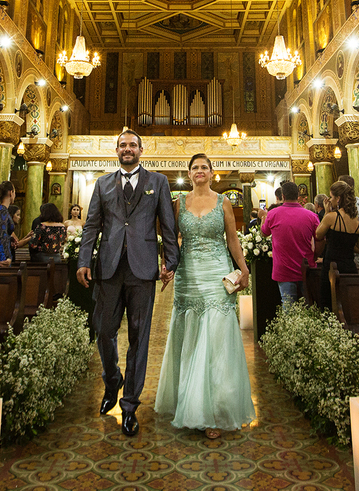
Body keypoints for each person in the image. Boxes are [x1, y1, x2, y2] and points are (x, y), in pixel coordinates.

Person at [76, 130, 179, 438]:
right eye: (123, 145)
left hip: (142, 268)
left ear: (141, 150)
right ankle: (112, 380)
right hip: (108, 267)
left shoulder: (157, 182)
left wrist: (170, 261)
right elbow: (92, 223)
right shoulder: (103, 183)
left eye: (133, 145)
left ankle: (130, 405)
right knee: (104, 330)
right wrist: (83, 260)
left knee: (139, 337)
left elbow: (167, 225)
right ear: (116, 150)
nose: (128, 149)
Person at [156, 153, 253, 440]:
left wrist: (243, 268)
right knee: (192, 338)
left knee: (216, 340)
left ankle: (215, 410)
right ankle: (190, 403)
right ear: (189, 174)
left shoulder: (223, 202)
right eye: (195, 167)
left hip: (216, 273)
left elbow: (232, 240)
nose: (200, 171)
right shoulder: (178, 204)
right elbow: (170, 241)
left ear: (212, 173)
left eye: (204, 167)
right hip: (189, 276)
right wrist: (166, 267)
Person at [262, 181, 320, 304]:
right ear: (298, 196)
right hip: (307, 267)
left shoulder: (273, 214)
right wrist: (315, 255)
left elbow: (264, 233)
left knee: (288, 305)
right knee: (309, 304)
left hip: (284, 268)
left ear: (282, 196)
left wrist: (263, 218)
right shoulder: (311, 216)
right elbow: (320, 239)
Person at [315, 181, 359, 308]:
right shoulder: (357, 222)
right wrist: (346, 244)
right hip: (349, 268)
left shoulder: (331, 217)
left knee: (328, 305)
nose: (330, 199)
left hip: (331, 268)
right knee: (348, 306)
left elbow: (318, 235)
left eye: (331, 197)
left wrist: (326, 212)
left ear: (338, 199)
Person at [0, 182, 17, 267]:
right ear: (10, 192)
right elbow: (2, 235)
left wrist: (10, 238)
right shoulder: (2, 211)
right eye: (14, 192)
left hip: (0, 250)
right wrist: (8, 256)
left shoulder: (1, 209)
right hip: (1, 253)